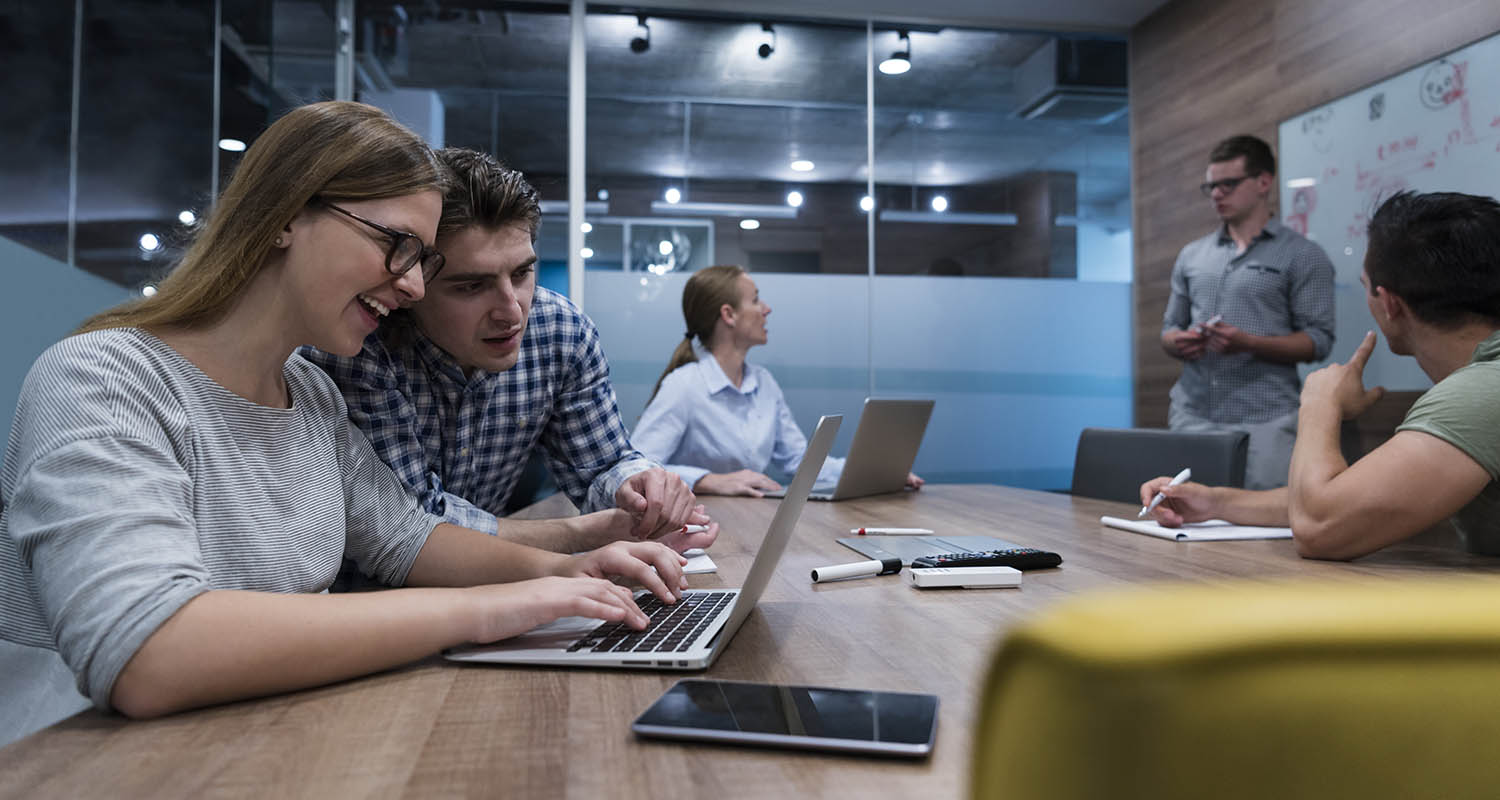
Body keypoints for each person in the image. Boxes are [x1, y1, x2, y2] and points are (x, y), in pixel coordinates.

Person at [0, 102, 686, 744]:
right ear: (285, 216)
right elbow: (149, 652)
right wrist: (497, 607)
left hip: (242, 743)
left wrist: (567, 570)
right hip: (69, 758)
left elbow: (408, 538)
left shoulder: (310, 395)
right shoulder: (102, 379)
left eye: (421, 261)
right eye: (397, 246)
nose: (413, 286)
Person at [302, 148, 713, 555]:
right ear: (412, 285)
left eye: (522, 273)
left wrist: (639, 488)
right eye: (471, 286)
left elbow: (602, 464)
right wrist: (588, 534)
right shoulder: (360, 346)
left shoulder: (560, 332)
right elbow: (414, 524)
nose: (512, 311)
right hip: (362, 603)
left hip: (492, 587)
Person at [1141, 191, 1500, 561]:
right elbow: (1360, 496)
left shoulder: (1481, 393)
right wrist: (1215, 502)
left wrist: (1319, 402)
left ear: (1389, 303)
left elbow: (1320, 526)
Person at [631, 265, 923, 497]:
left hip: (752, 524)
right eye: (756, 299)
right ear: (728, 314)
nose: (766, 309)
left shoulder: (764, 383)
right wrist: (709, 480)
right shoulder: (684, 386)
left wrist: (876, 471)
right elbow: (637, 469)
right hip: (694, 531)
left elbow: (800, 463)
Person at [1160, 134, 1336, 490]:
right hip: (1193, 415)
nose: (1216, 195)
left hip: (1267, 420)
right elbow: (1168, 330)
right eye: (1210, 186)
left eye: (1227, 184)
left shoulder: (1302, 255)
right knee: (1183, 527)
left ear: (1263, 182)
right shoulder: (1192, 255)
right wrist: (1180, 342)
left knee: (1265, 532)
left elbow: (1319, 341)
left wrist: (1248, 343)